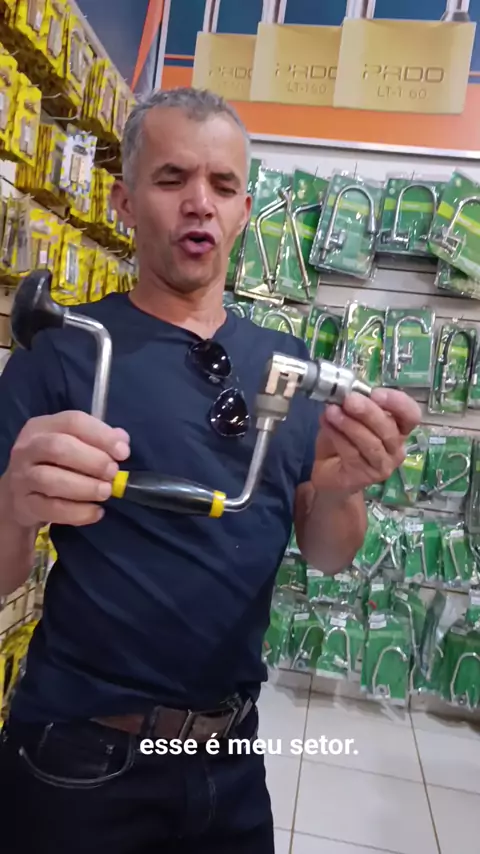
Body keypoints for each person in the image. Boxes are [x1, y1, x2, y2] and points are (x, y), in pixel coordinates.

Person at [0, 87, 421, 853]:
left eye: (223, 186)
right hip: (79, 762)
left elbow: (329, 553)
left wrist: (341, 491)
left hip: (229, 762)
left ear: (244, 210)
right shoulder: (65, 352)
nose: (200, 202)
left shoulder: (288, 366)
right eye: (172, 179)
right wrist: (13, 503)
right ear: (125, 202)